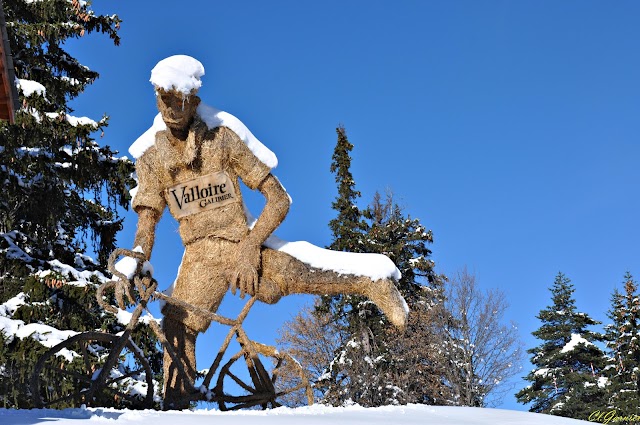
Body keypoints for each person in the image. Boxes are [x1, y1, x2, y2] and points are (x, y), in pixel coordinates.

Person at [130, 55, 408, 409]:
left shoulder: (221, 140)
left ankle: (372, 281)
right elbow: (147, 216)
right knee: (176, 323)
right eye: (163, 98)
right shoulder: (152, 160)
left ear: (194, 101)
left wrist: (249, 247)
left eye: (179, 99)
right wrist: (138, 257)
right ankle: (177, 409)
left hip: (237, 242)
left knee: (293, 271)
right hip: (198, 257)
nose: (171, 107)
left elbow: (278, 199)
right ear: (156, 99)